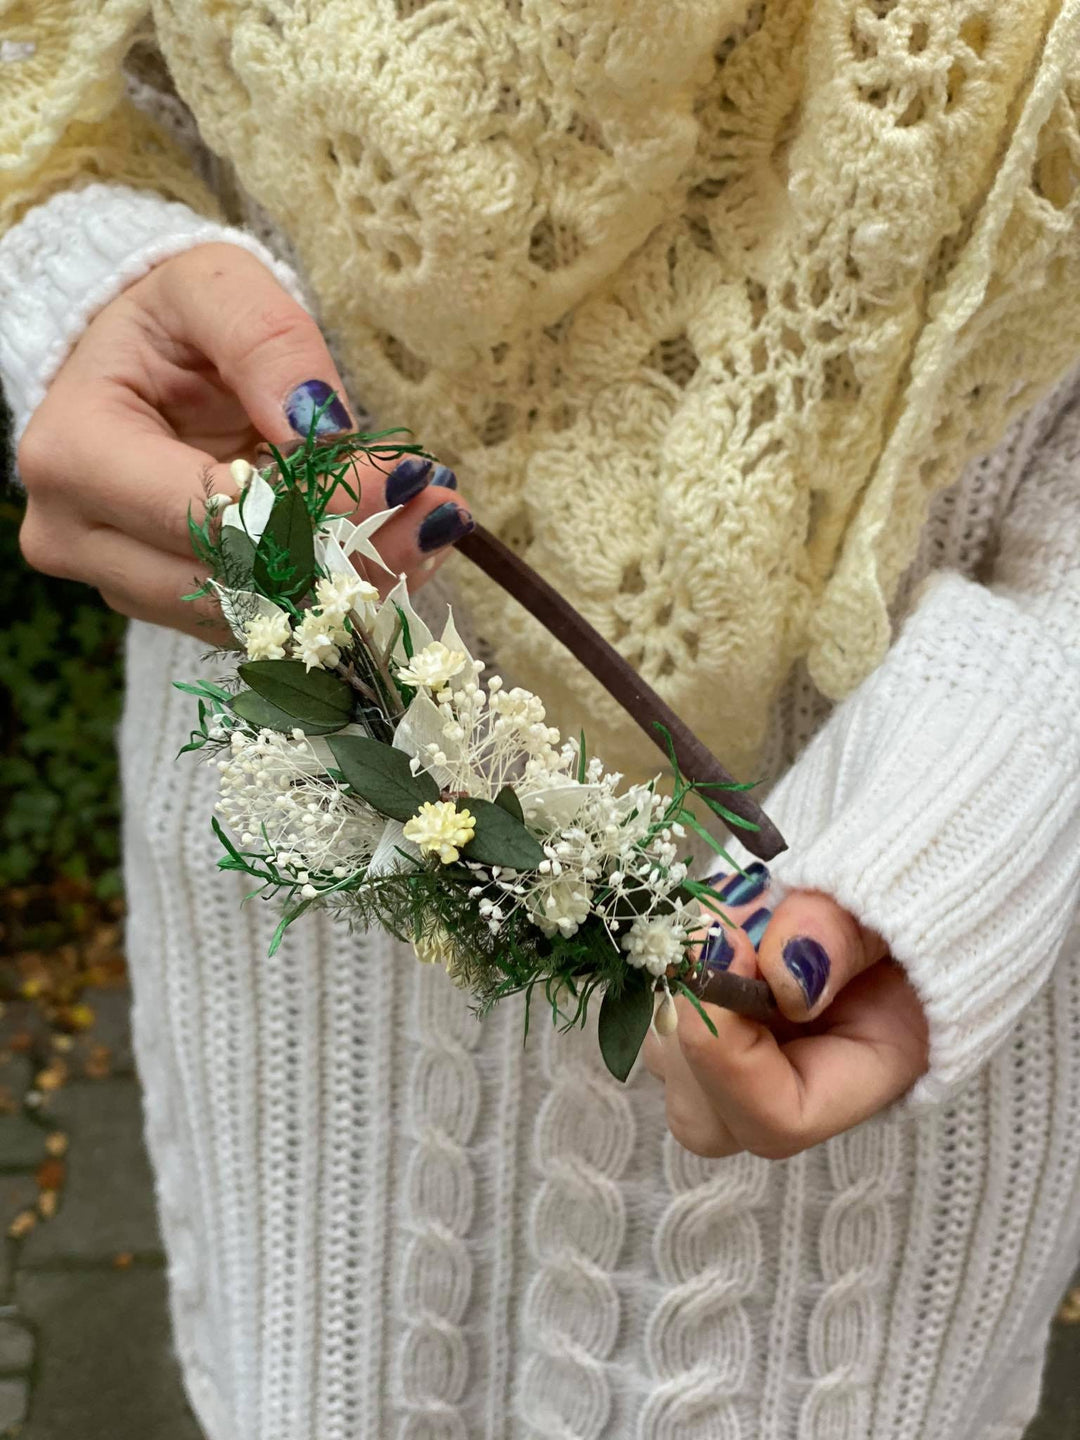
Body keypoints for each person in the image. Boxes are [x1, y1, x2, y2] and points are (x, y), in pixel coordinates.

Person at [2, 3, 1078, 1436]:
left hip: (865, 1085)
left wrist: (984, 786)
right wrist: (81, 281)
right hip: (320, 986)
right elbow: (57, 78)